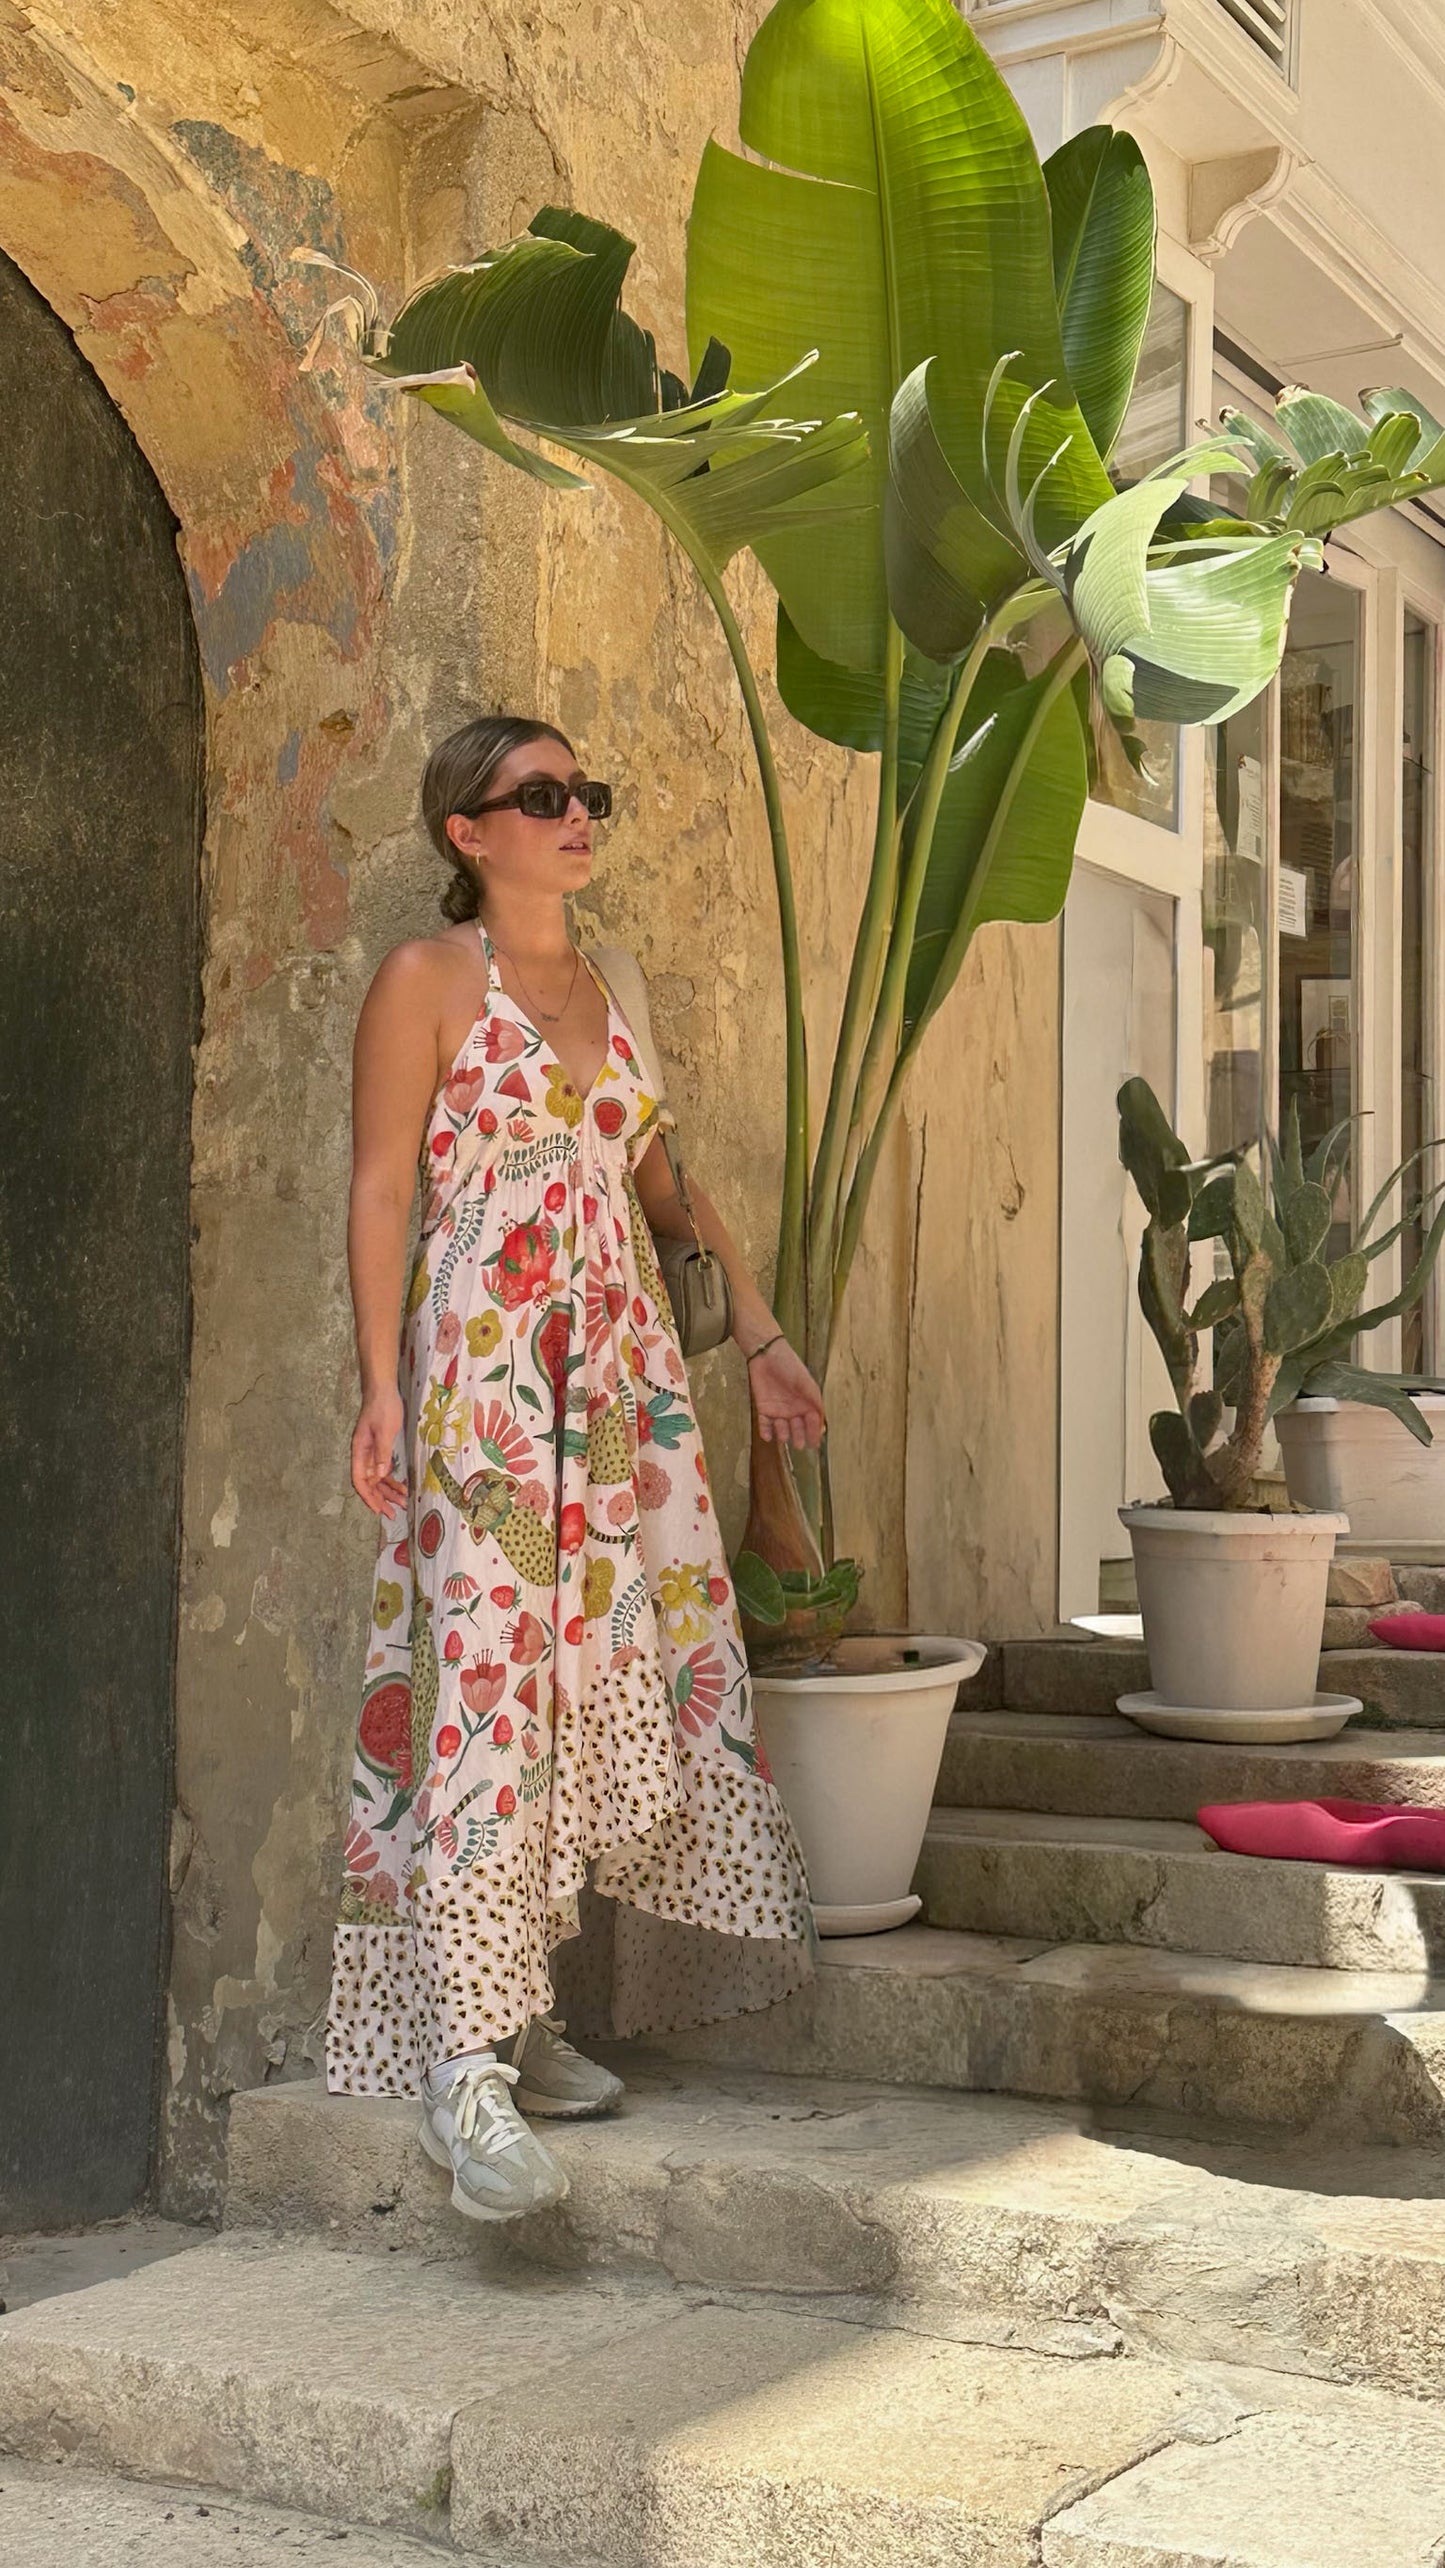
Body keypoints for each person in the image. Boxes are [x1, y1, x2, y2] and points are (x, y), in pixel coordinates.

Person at [325, 713, 825, 2224]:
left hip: (617, 1386)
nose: (574, 813)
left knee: (588, 1667)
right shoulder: (424, 982)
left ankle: (520, 2011)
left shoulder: (617, 997)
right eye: (539, 796)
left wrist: (760, 1330)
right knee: (483, 1681)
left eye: (584, 791)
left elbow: (664, 1189)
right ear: (466, 834)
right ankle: (461, 2068)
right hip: (483, 1374)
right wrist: (377, 1390)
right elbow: (378, 1183)